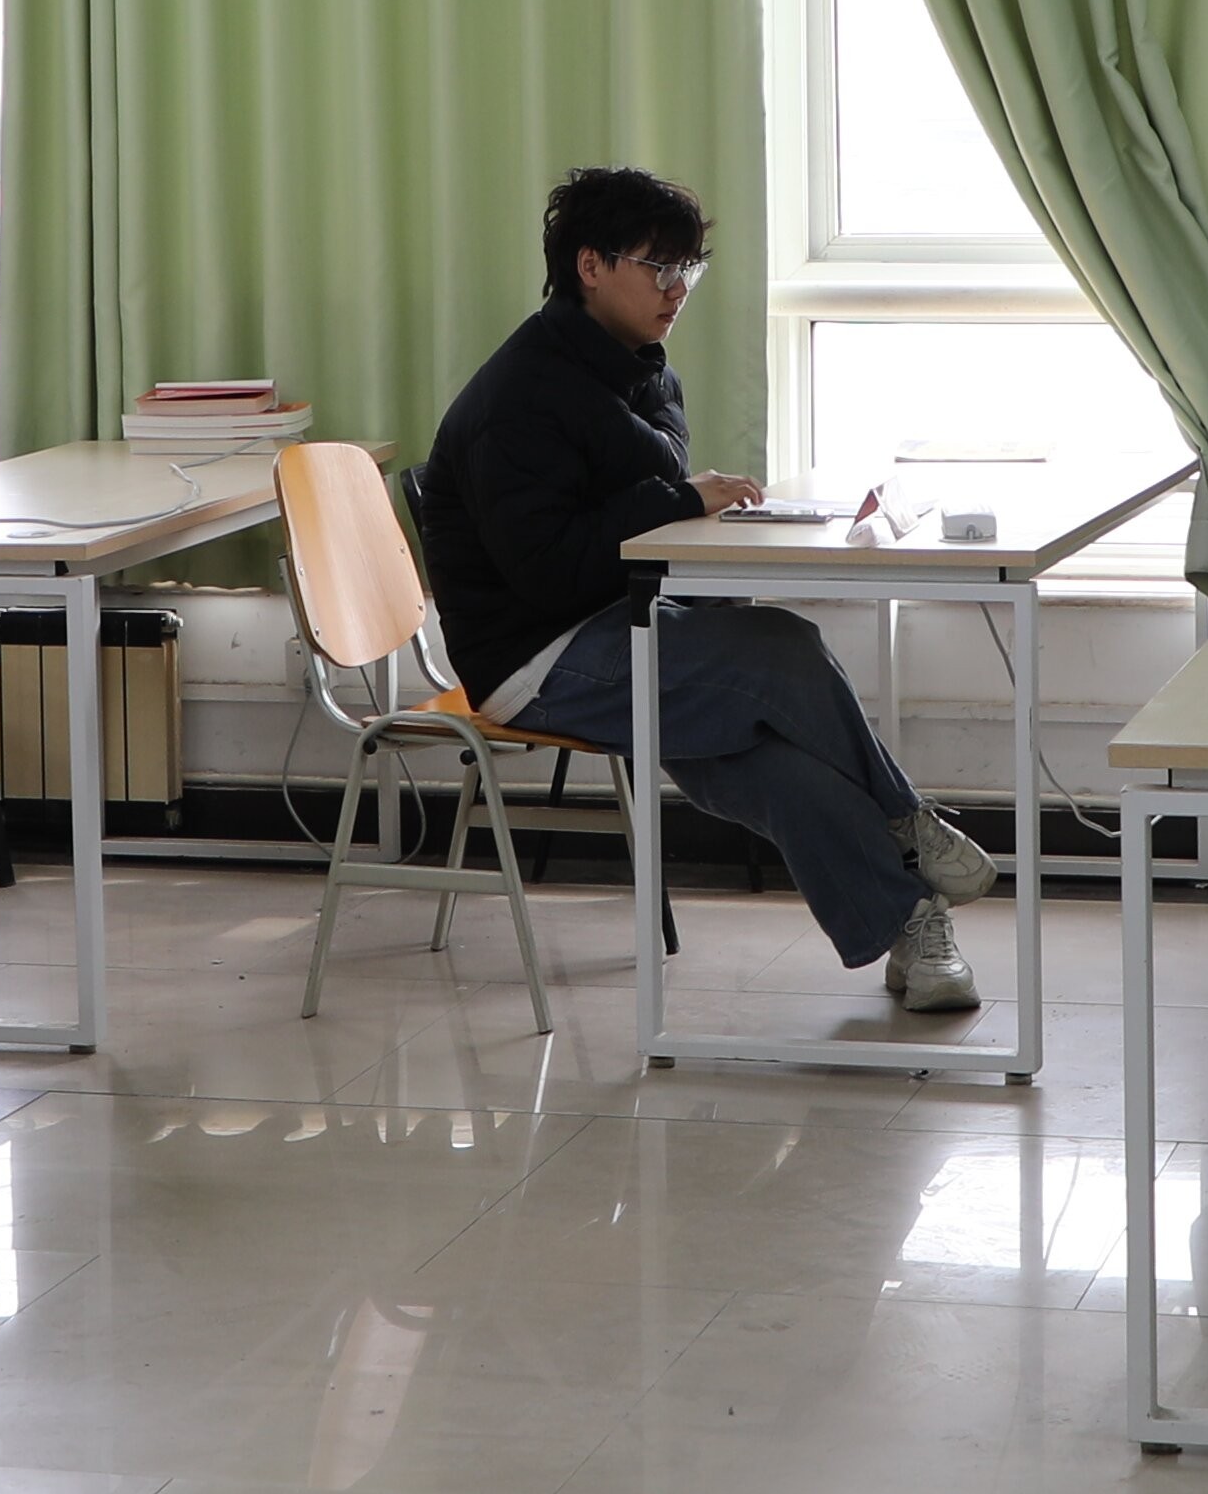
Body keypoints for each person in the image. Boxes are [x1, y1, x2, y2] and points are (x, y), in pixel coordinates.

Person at [419, 166, 998, 1016]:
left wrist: (682, 507)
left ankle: (910, 923)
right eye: (658, 267)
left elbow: (640, 502)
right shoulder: (520, 398)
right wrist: (680, 502)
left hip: (620, 620)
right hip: (533, 659)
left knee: (773, 762)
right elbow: (547, 571)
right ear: (589, 266)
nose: (678, 288)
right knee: (779, 649)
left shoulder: (636, 369)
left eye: (688, 267)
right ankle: (906, 825)